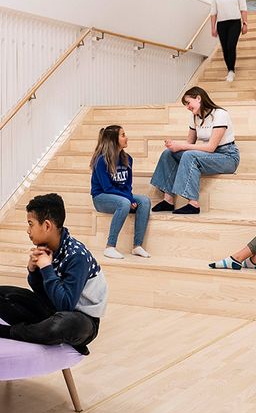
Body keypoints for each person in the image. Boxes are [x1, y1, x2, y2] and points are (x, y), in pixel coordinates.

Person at [0, 193, 107, 355]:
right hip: (52, 310)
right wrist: (33, 271)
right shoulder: (47, 247)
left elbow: (65, 305)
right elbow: (42, 293)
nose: (28, 231)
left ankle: (10, 332)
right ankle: (39, 331)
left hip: (82, 320)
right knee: (3, 294)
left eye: (31, 224)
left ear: (47, 225)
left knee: (60, 325)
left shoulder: (76, 256)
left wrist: (47, 268)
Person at [150, 86, 239, 214]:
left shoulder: (220, 114)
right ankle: (168, 200)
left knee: (189, 155)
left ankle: (193, 204)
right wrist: (174, 146)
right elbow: (189, 143)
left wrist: (181, 146)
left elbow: (210, 147)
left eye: (188, 103)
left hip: (227, 156)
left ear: (198, 98)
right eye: (185, 105)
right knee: (169, 153)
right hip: (208, 156)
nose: (187, 107)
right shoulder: (194, 117)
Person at [90, 124, 151, 259]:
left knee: (145, 201)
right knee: (123, 203)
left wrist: (131, 197)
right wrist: (129, 199)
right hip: (101, 197)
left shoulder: (127, 158)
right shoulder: (101, 160)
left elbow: (128, 185)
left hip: (121, 196)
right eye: (123, 135)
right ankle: (110, 246)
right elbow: (107, 188)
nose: (126, 137)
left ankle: (137, 246)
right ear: (113, 139)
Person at [210, 0, 248, 82]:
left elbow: (243, 9)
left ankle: (231, 71)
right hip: (221, 24)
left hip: (235, 23)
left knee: (231, 46)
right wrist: (213, 28)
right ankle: (229, 70)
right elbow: (213, 12)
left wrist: (245, 23)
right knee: (225, 48)